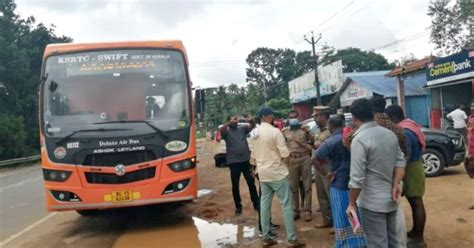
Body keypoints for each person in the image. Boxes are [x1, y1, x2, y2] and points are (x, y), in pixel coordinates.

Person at [347, 99, 406, 248]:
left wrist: (352, 203)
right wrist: (396, 184)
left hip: (371, 202)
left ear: (354, 117)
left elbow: (357, 178)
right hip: (391, 197)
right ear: (373, 114)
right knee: (393, 242)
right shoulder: (389, 134)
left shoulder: (359, 139)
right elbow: (400, 161)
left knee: (377, 244)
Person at [250, 107, 304, 247]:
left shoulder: (254, 132)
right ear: (267, 116)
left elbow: (252, 155)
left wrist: (256, 167)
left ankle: (265, 237)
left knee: (264, 204)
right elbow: (285, 153)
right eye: (272, 115)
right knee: (286, 204)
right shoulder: (275, 132)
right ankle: (291, 239)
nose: (273, 117)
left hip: (263, 173)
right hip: (277, 172)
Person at [313, 115, 367, 247]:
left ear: (330, 126)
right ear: (343, 125)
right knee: (353, 211)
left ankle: (343, 243)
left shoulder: (330, 142)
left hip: (339, 183)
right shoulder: (352, 137)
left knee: (340, 215)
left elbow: (314, 159)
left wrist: (326, 174)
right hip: (356, 183)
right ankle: (358, 241)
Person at [385, 105, 427, 247]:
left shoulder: (404, 132)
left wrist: (398, 173)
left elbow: (405, 156)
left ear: (393, 117)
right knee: (415, 201)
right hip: (415, 166)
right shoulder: (410, 125)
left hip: (411, 169)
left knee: (416, 202)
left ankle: (419, 238)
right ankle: (415, 232)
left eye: (388, 118)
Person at [220, 115, 259, 216]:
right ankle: (238, 206)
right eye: (232, 119)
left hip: (246, 161)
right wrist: (229, 123)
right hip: (233, 163)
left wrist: (251, 121)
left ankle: (256, 204)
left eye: (236, 119)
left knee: (251, 183)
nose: (235, 121)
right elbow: (221, 131)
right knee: (235, 185)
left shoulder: (242, 129)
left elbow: (252, 127)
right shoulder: (226, 131)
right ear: (228, 121)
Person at [283, 110, 314, 222]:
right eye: (291, 117)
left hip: (304, 158)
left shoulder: (304, 130)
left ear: (298, 117)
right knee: (293, 187)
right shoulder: (285, 132)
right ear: (288, 118)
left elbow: (312, 140)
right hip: (292, 160)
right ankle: (295, 210)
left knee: (307, 186)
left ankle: (307, 211)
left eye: (295, 117)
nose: (293, 119)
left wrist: (308, 131)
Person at [313, 106, 333, 229]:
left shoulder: (330, 130)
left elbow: (320, 147)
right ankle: (327, 220)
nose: (315, 118)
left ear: (323, 116)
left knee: (331, 194)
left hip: (327, 165)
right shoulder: (318, 131)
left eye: (316, 116)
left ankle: (336, 224)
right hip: (318, 165)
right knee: (321, 195)